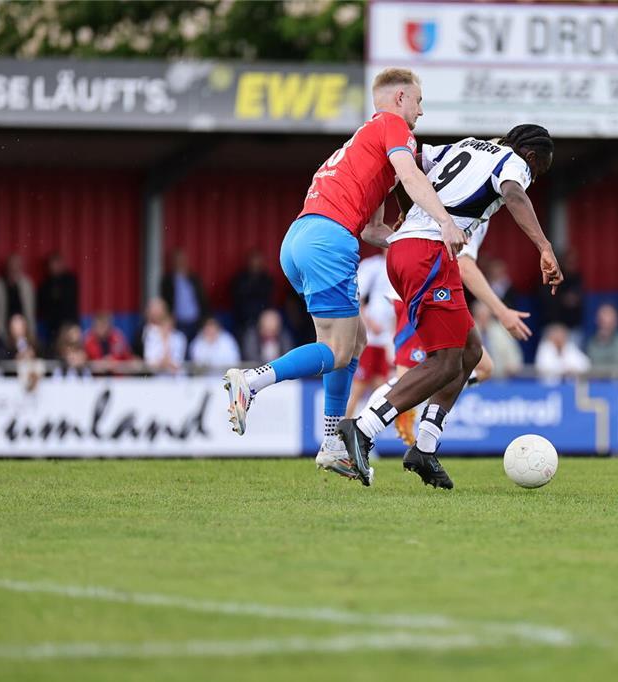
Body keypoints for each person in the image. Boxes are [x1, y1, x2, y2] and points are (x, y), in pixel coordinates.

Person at [224, 67, 464, 488]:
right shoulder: (393, 128)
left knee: (352, 344)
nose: (421, 112)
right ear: (400, 98)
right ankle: (251, 381)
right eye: (419, 101)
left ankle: (332, 443)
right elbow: (412, 175)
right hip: (328, 241)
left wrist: (405, 240)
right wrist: (444, 221)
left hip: (301, 238)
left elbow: (373, 229)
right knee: (336, 349)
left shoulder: (364, 144)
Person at [341, 124, 562, 489]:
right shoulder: (513, 162)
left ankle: (424, 448)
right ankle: (362, 429)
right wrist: (544, 247)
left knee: (470, 351)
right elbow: (513, 194)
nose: (531, 178)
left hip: (410, 251)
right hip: (427, 254)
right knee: (444, 360)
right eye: (537, 172)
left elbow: (406, 163)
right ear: (533, 157)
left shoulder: (468, 145)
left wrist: (408, 213)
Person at [346, 253, 396, 417]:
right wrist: (369, 322)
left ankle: (364, 431)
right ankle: (340, 431)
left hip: (386, 341)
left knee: (381, 392)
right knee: (358, 389)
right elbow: (354, 297)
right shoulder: (374, 267)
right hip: (370, 340)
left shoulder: (401, 268)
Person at [160, 249, 208, 342]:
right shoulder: (168, 281)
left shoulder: (194, 279)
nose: (180, 263)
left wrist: (204, 317)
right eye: (177, 260)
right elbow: (165, 300)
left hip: (195, 320)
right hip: (178, 321)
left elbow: (202, 299)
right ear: (173, 263)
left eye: (182, 260)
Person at [0, 253, 36, 335]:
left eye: (17, 266)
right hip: (1, 331)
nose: (14, 268)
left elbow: (31, 310)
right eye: (12, 265)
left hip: (23, 332)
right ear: (7, 267)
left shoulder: (27, 285)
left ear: (21, 267)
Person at [472, 301, 523, 378]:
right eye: (480, 316)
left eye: (486, 316)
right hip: (475, 378)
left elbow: (513, 356)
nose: (483, 319)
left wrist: (512, 365)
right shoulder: (468, 332)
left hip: (499, 378)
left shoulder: (501, 330)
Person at [37, 252, 79, 344]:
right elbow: (43, 305)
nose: (54, 267)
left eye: (56, 264)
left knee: (72, 348)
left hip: (69, 323)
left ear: (61, 264)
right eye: (52, 264)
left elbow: (68, 302)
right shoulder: (45, 284)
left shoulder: (70, 280)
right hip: (53, 327)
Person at [230, 250, 274, 336]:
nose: (255, 264)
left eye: (258, 261)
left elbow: (268, 299)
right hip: (243, 320)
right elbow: (237, 299)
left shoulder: (267, 279)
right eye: (253, 261)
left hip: (262, 319)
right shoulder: (241, 279)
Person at [586, 303, 618, 372]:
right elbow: (592, 363)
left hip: (615, 379)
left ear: (616, 321)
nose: (604, 319)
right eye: (602, 316)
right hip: (595, 379)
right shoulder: (591, 340)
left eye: (608, 315)